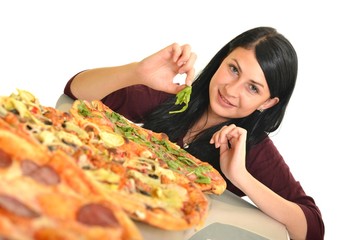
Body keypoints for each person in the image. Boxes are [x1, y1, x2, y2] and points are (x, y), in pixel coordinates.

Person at [63, 26, 325, 239]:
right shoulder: (178, 96)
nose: (232, 90)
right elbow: (76, 90)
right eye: (233, 69)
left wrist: (242, 177)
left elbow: (312, 228)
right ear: (222, 59)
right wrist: (136, 72)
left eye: (253, 88)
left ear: (268, 103)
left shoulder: (251, 148)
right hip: (104, 216)